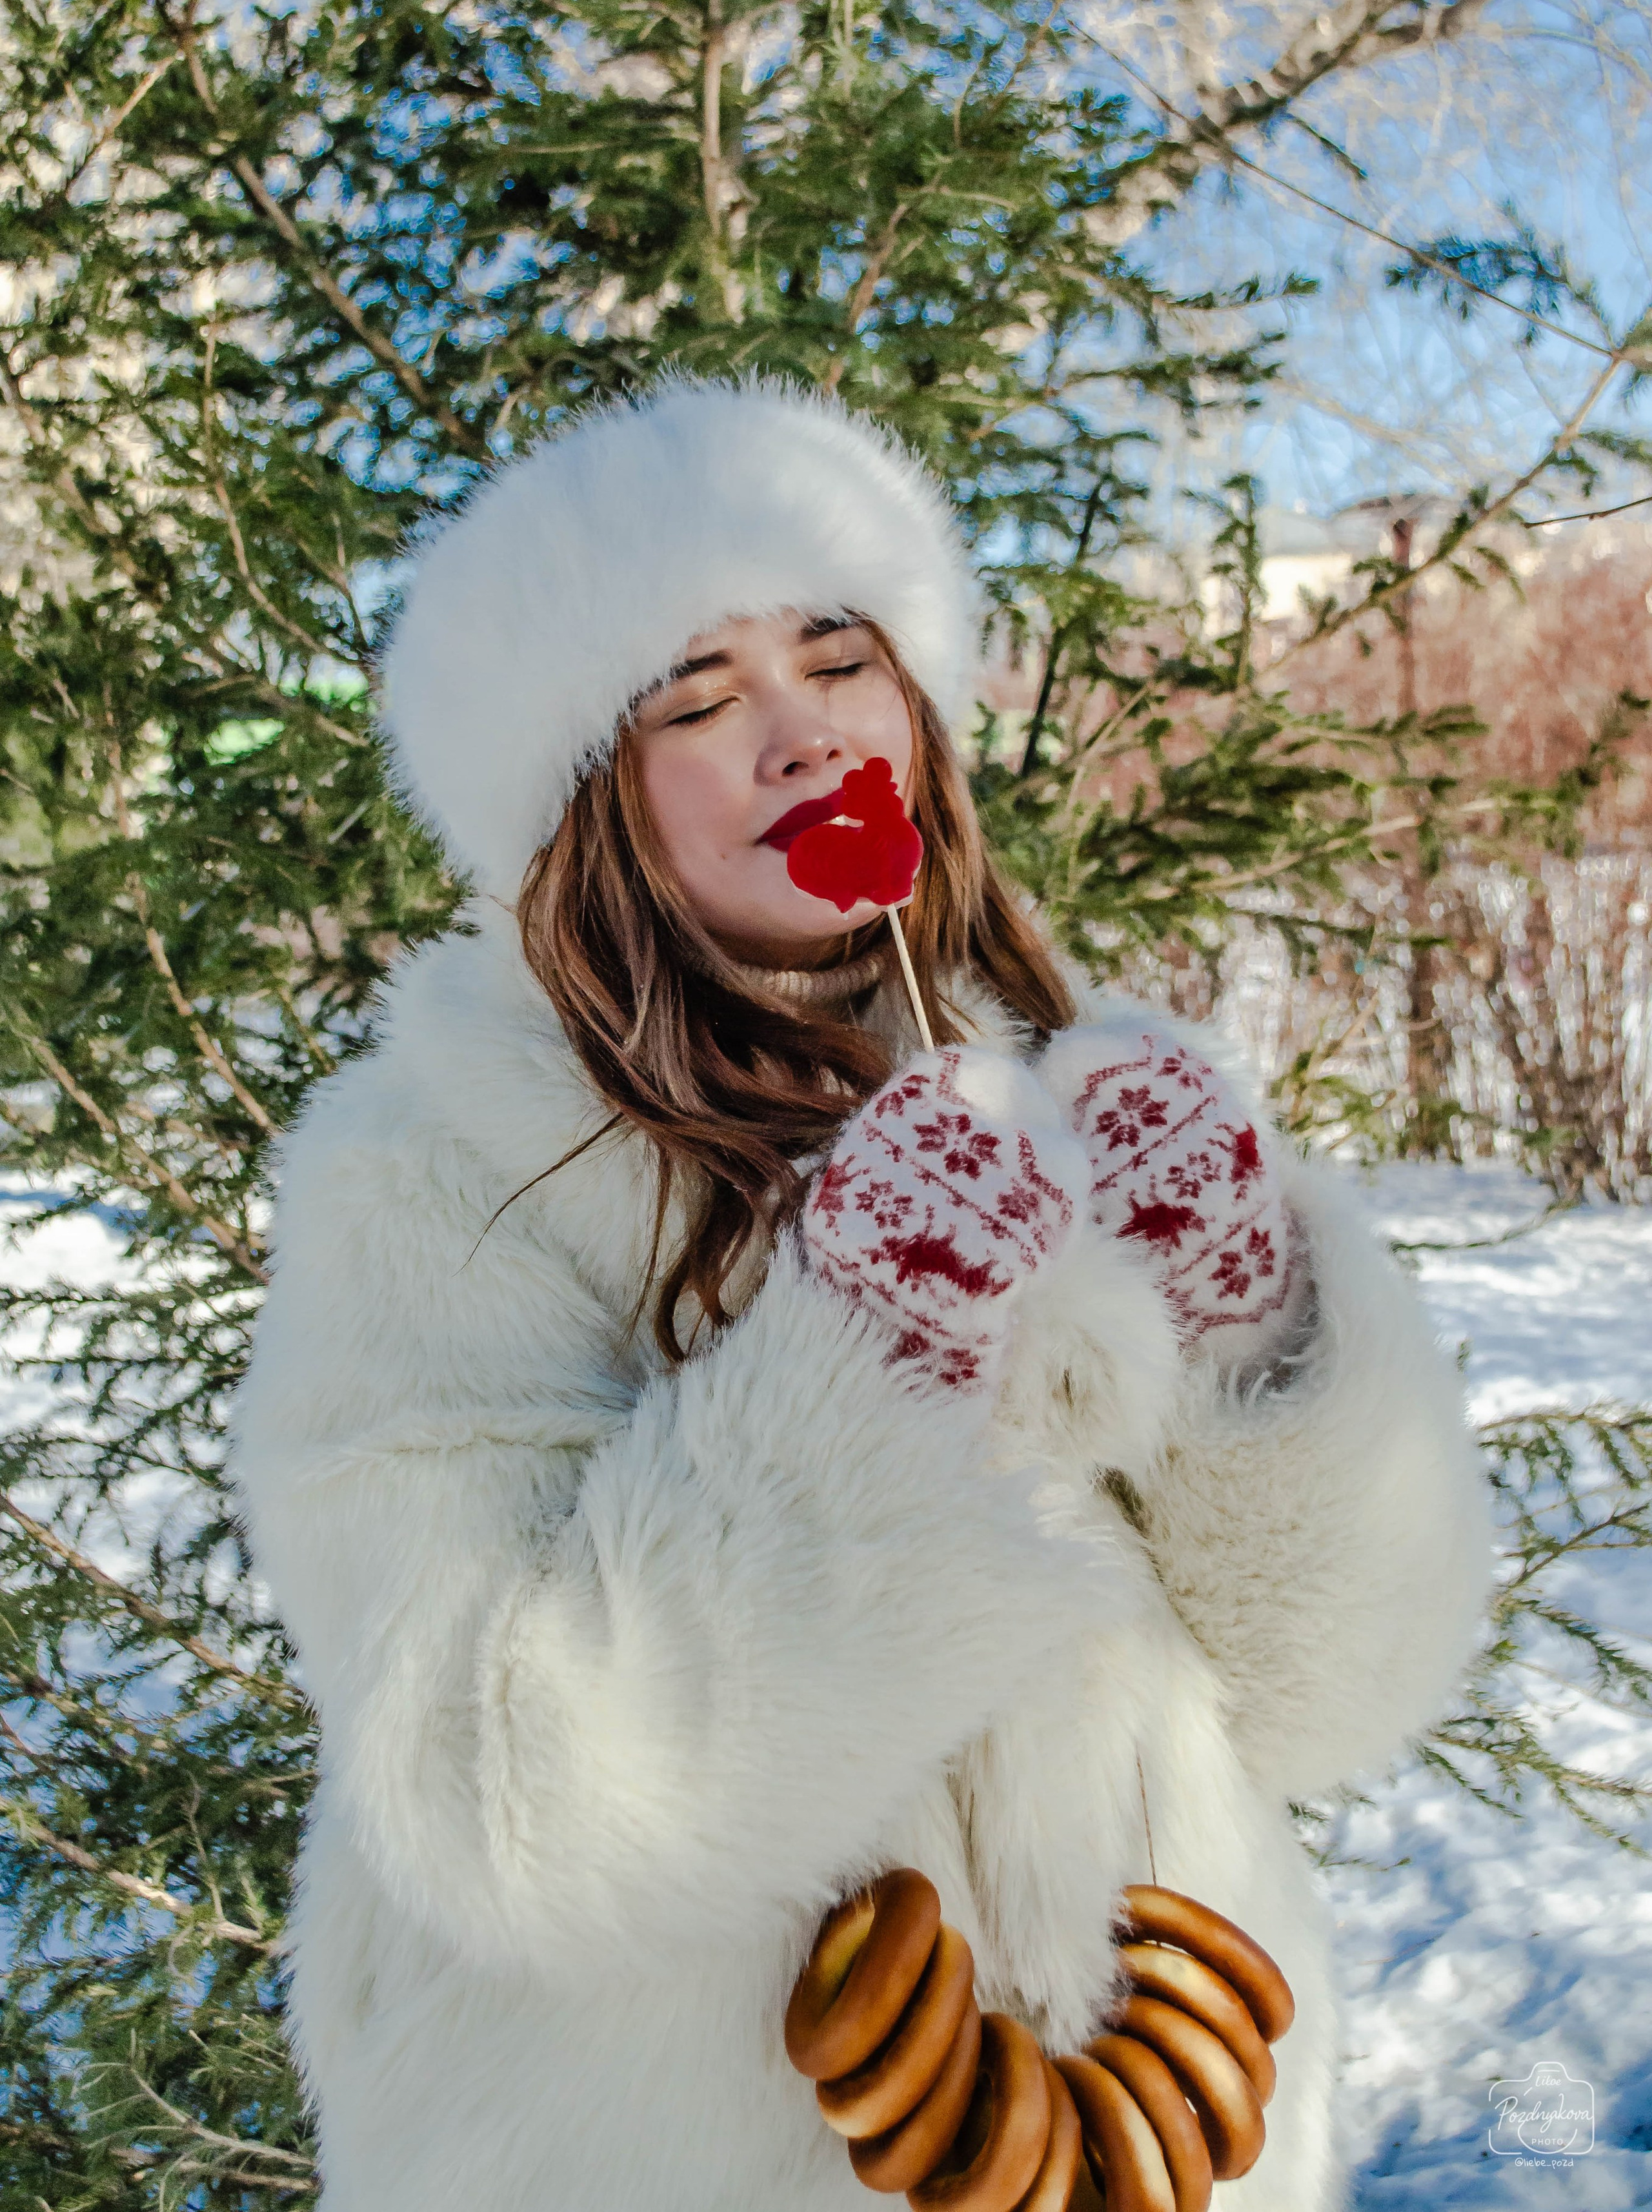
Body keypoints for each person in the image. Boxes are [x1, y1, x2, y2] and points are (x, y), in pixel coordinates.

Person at [232, 380, 1493, 2212]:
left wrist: (1249, 1324)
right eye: (696, 700)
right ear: (580, 802)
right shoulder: (428, 1177)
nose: (802, 733)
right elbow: (496, 1791)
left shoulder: (1065, 1086)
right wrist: (862, 1359)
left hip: (1158, 2120)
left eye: (839, 661)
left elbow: (1334, 1691)